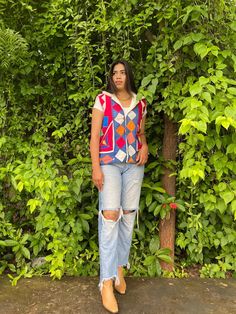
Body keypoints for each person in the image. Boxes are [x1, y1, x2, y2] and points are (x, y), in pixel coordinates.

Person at [90, 60, 148, 313]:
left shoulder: (140, 103)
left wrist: (145, 146)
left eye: (122, 72)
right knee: (110, 215)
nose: (118, 76)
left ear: (129, 75)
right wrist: (95, 168)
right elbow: (94, 137)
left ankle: (119, 270)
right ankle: (106, 282)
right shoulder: (103, 100)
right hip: (109, 163)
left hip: (134, 165)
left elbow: (141, 134)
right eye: (114, 73)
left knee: (127, 216)